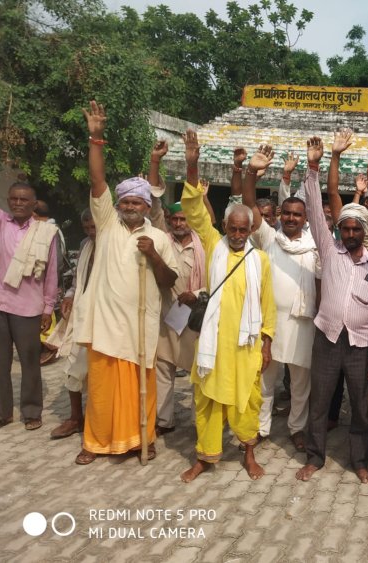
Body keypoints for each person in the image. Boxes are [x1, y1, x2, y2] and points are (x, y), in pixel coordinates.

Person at [74, 101, 178, 465]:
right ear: (118, 204)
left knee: (139, 391)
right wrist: (96, 137)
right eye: (127, 200)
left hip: (139, 330)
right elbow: (97, 180)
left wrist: (153, 256)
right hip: (105, 326)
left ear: (148, 207)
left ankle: (138, 439)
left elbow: (169, 281)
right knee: (102, 390)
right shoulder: (106, 223)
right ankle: (95, 442)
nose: (131, 205)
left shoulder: (160, 238)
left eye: (138, 201)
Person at [178, 130, 276, 483]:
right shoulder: (213, 244)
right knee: (206, 400)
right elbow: (192, 209)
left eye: (242, 230)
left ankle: (248, 451)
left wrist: (266, 342)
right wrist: (192, 166)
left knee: (248, 401)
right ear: (224, 226)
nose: (236, 234)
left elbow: (268, 305)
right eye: (232, 228)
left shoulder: (260, 260)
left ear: (250, 230)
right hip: (214, 345)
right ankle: (205, 457)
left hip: (245, 346)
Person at [295, 136, 368, 485]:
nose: (349, 233)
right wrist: (316, 165)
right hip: (327, 339)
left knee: (360, 406)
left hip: (361, 346)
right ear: (338, 230)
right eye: (345, 228)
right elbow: (316, 208)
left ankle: (360, 461)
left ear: (364, 231)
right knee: (319, 402)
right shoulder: (330, 251)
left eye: (355, 229)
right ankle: (315, 457)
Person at [243, 144, 319, 453]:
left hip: (303, 325)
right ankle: (261, 428)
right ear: (279, 216)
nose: (290, 218)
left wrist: (314, 167)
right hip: (270, 326)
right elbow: (249, 203)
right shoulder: (268, 238)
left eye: (296, 214)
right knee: (265, 381)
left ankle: (297, 428)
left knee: (301, 384)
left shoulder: (316, 245)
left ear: (305, 218)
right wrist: (251, 173)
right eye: (286, 213)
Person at [147, 140, 206, 437]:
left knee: (198, 372)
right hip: (165, 315)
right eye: (175, 218)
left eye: (184, 218)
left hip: (194, 317)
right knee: (163, 369)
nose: (180, 222)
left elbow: (214, 277)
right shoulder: (161, 237)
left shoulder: (203, 244)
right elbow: (155, 202)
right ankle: (164, 420)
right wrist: (154, 162)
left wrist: (195, 293)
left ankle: (201, 423)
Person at [0, 181, 59, 430]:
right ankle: (3, 412)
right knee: (0, 362)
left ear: (34, 204)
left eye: (24, 200)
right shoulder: (2, 223)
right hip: (1, 304)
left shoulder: (46, 233)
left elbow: (52, 273)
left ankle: (32, 411)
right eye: (14, 199)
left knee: (30, 362)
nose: (18, 203)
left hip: (29, 308)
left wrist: (48, 308)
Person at [48, 209, 96, 439]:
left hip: (107, 316)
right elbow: (78, 280)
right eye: (86, 228)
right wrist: (69, 296)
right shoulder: (86, 245)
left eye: (94, 227)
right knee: (73, 365)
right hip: (83, 313)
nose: (90, 232)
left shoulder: (115, 244)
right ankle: (76, 418)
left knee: (100, 372)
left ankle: (99, 421)